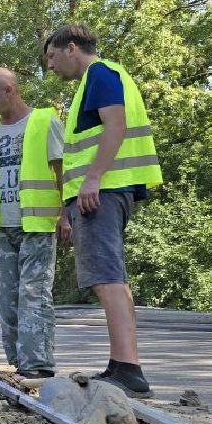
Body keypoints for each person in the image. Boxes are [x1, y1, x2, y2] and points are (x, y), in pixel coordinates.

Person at [43, 24, 163, 397]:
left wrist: (92, 178)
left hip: (104, 191)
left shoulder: (100, 74)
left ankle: (128, 369)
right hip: (107, 190)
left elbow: (116, 125)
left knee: (107, 277)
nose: (50, 66)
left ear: (71, 48)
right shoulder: (101, 78)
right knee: (109, 276)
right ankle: (121, 365)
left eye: (52, 57)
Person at [0, 67, 65, 379]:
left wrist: (67, 214)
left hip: (38, 224)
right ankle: (21, 363)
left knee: (34, 293)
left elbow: (63, 170)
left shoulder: (45, 121)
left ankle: (38, 364)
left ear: (9, 90)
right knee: (7, 299)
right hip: (2, 226)